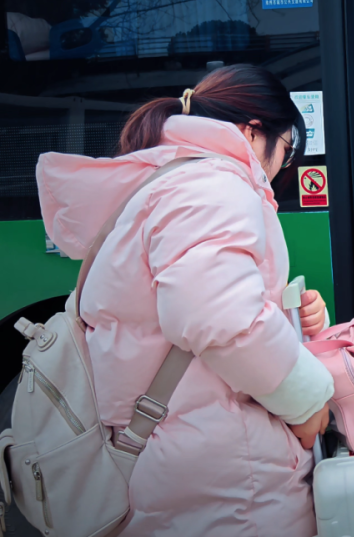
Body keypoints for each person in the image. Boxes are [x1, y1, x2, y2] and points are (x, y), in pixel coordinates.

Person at [35, 65, 335, 536]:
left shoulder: (171, 183)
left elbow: (197, 312)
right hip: (225, 480)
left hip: (185, 460)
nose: (283, 166)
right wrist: (307, 400)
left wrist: (289, 313)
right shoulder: (213, 185)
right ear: (252, 132)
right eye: (287, 148)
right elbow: (220, 317)